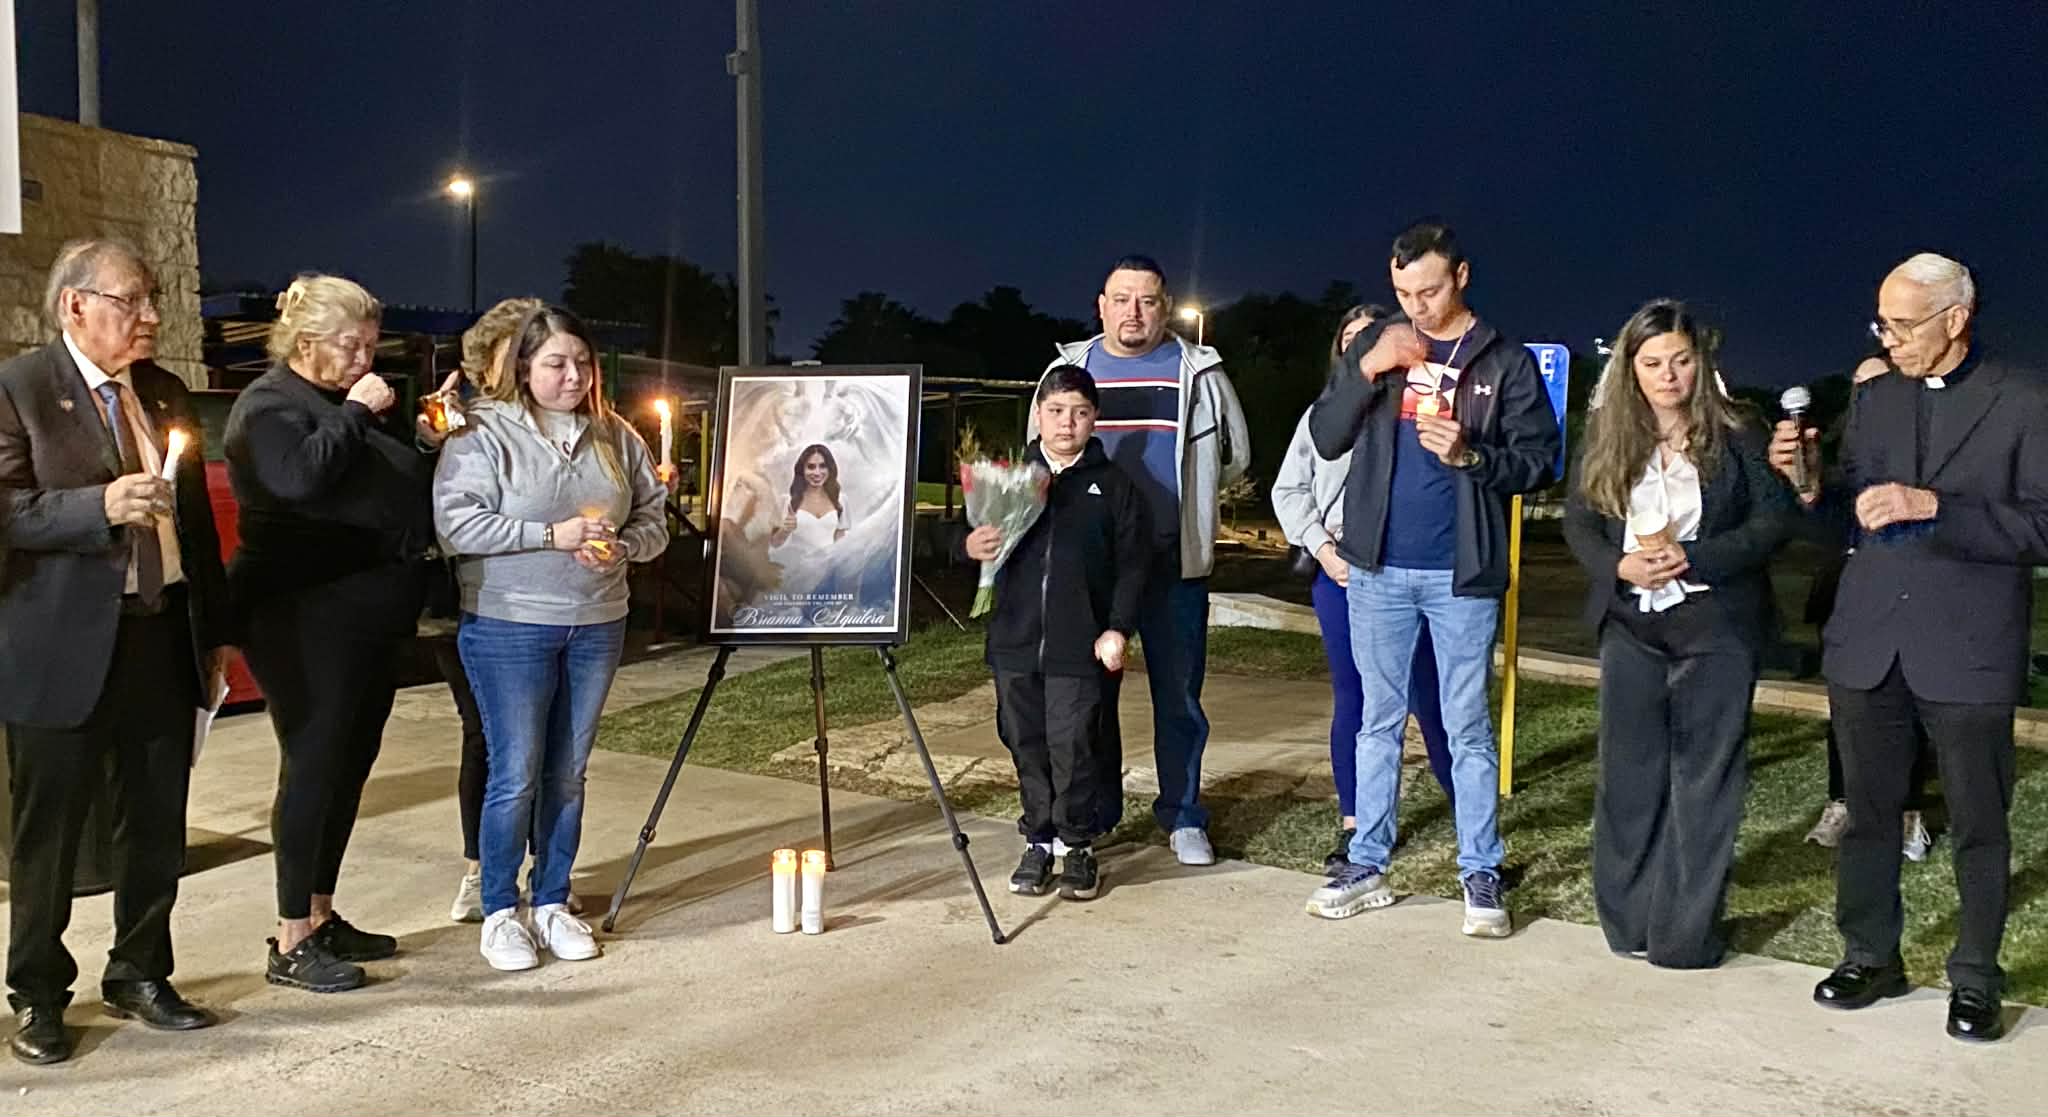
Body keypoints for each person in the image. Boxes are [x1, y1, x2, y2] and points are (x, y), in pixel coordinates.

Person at [1771, 252, 2047, 1042]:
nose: (1887, 339)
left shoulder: (2025, 400)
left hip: (1968, 644)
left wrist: (1938, 505)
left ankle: (1975, 977)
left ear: (1957, 318)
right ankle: (1870, 954)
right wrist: (1810, 482)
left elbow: (2044, 524)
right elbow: (1853, 513)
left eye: (1902, 323)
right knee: (1867, 813)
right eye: (1881, 323)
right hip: (1869, 641)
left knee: (1979, 820)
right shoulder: (1876, 397)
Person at [0, 239, 233, 1064]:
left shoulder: (162, 391)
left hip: (162, 634)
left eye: (152, 300)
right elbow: (7, 514)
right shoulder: (19, 388)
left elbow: (197, 530)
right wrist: (98, 504)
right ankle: (37, 993)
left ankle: (140, 969)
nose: (151, 317)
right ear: (75, 305)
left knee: (155, 823)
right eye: (131, 301)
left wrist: (214, 637)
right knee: (48, 835)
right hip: (59, 650)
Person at [1305, 221, 1561, 936]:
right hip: (1378, 567)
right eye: (1402, 292)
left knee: (1466, 725)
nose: (1416, 305)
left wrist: (1473, 456)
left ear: (1463, 276)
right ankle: (1367, 861)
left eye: (1429, 289)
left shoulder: (1502, 361)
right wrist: (1366, 367)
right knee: (1378, 723)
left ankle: (1481, 870)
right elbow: (1326, 436)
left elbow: (1541, 460)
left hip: (1462, 575)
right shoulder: (1380, 344)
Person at [226, 273, 445, 993]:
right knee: (315, 761)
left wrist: (417, 439)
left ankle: (320, 911)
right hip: (301, 612)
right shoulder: (268, 406)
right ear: (305, 340)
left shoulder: (337, 403)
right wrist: (355, 412)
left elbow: (377, 482)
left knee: (350, 762)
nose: (365, 359)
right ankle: (290, 935)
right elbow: (301, 480)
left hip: (367, 613)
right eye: (352, 345)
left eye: (370, 346)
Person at [1562, 300, 1796, 968]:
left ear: (1702, 361)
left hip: (1715, 621)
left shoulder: (1738, 430)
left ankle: (1683, 936)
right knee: (1628, 776)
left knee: (1704, 783)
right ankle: (1628, 921)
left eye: (1681, 361)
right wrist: (1618, 564)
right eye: (1653, 362)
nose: (1668, 376)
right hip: (1631, 620)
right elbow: (1580, 522)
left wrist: (1698, 555)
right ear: (1631, 367)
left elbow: (1771, 521)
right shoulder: (1608, 432)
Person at [434, 306, 668, 971]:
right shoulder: (483, 433)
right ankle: (500, 908)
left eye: (582, 362)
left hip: (596, 621)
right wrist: (548, 535)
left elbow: (654, 514)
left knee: (567, 771)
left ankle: (553, 899)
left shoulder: (615, 435)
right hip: (510, 621)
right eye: (556, 363)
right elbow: (457, 523)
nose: (573, 375)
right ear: (523, 369)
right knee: (515, 771)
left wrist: (624, 545)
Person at [1039, 254, 1249, 866]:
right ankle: (1093, 816)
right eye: (1121, 299)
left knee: (1178, 696)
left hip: (1171, 567)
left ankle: (1183, 815)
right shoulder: (1067, 370)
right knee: (1086, 702)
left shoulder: (1198, 371)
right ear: (1100, 304)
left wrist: (1193, 507)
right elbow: (1038, 456)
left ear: (1165, 306)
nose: (1134, 312)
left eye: (1149, 300)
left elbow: (1234, 459)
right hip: (1088, 577)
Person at [1273, 303, 1456, 874]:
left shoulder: (1417, 404)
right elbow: (1289, 490)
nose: (1363, 349)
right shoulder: (1321, 416)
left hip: (1410, 570)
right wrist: (1324, 551)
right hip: (1342, 572)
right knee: (1355, 697)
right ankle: (1357, 823)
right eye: (1351, 341)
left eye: (1374, 339)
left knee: (1429, 693)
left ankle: (1466, 810)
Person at [964, 366, 1147, 901]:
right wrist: (971, 547)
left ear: (1095, 420)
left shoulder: (1112, 487)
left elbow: (1133, 566)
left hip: (1080, 643)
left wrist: (1117, 628)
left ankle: (1077, 843)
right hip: (1015, 640)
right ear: (1038, 415)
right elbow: (976, 545)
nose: (1068, 423)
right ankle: (1038, 839)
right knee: (1025, 741)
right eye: (1057, 411)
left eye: (1081, 412)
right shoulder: (1009, 482)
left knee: (1075, 744)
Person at [1801, 354, 1937, 858]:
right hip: (1846, 594)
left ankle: (1909, 811)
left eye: (1880, 387)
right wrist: (1810, 490)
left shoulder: (1923, 448)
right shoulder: (1838, 454)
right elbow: (1818, 520)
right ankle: (1842, 801)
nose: (1870, 399)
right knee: (1845, 710)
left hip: (1912, 594)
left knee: (1912, 708)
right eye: (1860, 389)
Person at [438, 297, 544, 922]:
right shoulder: (463, 425)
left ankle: (543, 866)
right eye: (517, 351)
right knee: (491, 738)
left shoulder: (563, 425)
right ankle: (483, 868)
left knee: (545, 743)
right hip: (471, 604)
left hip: (548, 603)